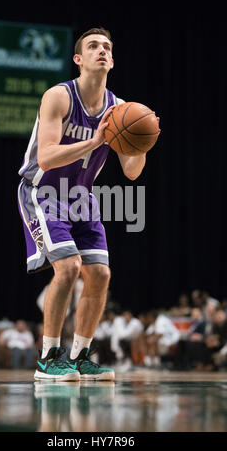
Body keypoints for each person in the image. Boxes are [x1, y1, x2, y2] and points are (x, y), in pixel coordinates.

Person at [18, 27, 159, 381]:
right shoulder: (58, 96)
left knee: (99, 274)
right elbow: (47, 158)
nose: (102, 50)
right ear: (78, 59)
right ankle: (48, 358)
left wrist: (142, 142)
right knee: (67, 268)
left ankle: (80, 357)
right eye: (93, 46)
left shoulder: (120, 109)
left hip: (82, 198)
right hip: (43, 191)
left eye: (107, 47)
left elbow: (130, 172)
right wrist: (97, 140)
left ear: (111, 60)